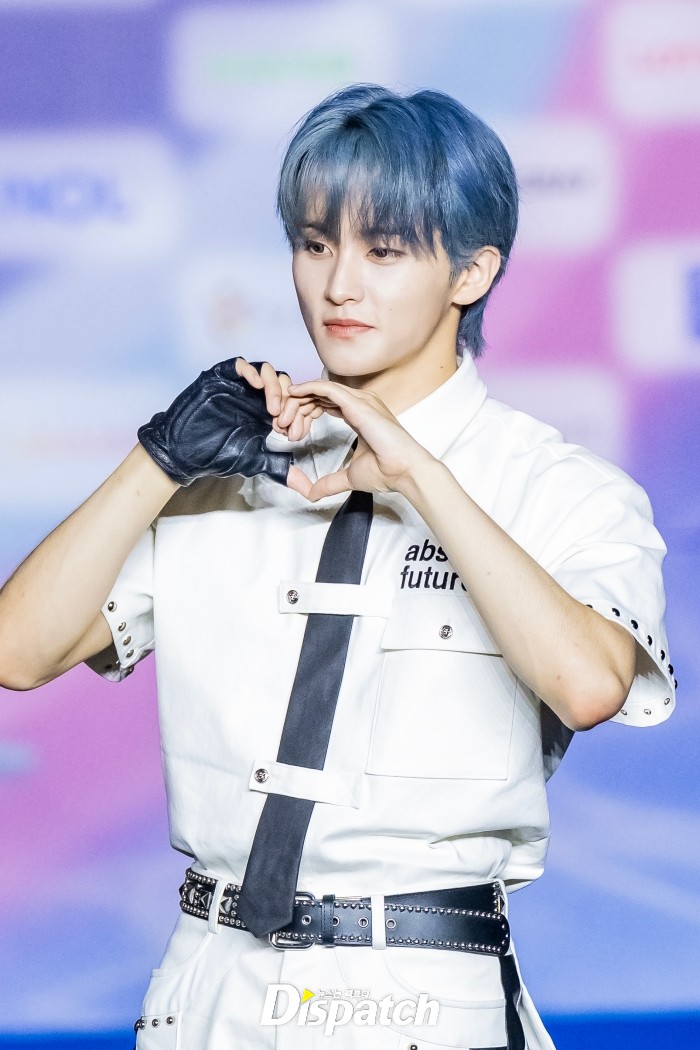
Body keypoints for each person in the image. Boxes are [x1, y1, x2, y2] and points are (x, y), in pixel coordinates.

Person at [0, 84, 675, 1050]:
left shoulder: (561, 488)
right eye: (316, 245)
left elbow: (589, 686)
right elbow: (16, 653)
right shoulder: (225, 475)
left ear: (472, 272)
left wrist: (422, 477)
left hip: (418, 991)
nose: (338, 286)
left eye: (384, 251)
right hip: (208, 984)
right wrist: (158, 458)